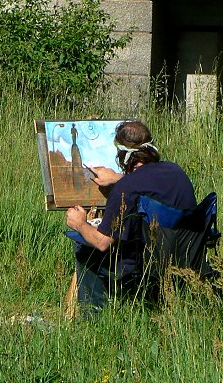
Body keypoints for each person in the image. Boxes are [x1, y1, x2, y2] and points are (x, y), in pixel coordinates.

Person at [65, 119, 197, 313]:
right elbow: (148, 182)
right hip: (187, 259)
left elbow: (102, 242)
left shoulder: (126, 189)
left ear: (122, 155)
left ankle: (92, 321)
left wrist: (80, 224)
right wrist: (118, 178)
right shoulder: (176, 172)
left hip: (147, 268)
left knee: (87, 250)